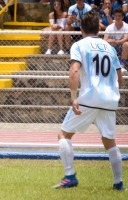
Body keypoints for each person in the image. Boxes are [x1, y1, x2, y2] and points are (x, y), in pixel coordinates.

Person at [53, 10, 124, 190]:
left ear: (82, 28)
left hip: (89, 97)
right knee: (109, 141)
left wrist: (73, 97)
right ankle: (118, 183)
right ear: (98, 29)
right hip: (109, 99)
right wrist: (111, 92)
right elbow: (119, 76)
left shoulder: (80, 45)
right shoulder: (109, 47)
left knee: (64, 134)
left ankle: (70, 176)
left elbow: (75, 70)